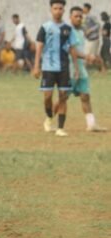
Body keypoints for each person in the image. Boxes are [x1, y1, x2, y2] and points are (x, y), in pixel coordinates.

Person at [33, 0, 77, 137]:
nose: (58, 10)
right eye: (55, 8)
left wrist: (76, 68)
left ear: (64, 10)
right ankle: (48, 117)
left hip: (64, 67)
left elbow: (72, 48)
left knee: (63, 97)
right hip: (48, 67)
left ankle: (60, 128)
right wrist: (36, 66)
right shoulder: (45, 27)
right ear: (51, 10)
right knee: (47, 97)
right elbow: (39, 47)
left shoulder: (68, 29)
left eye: (60, 8)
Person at [69, 6, 107, 131]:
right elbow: (72, 52)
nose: (79, 19)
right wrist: (85, 58)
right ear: (70, 18)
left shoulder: (81, 32)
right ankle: (49, 119)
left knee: (85, 96)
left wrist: (87, 59)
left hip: (81, 69)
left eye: (81, 16)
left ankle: (91, 124)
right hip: (70, 70)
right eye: (76, 16)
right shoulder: (67, 32)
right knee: (63, 98)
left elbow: (80, 50)